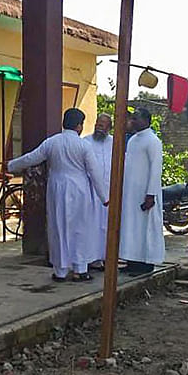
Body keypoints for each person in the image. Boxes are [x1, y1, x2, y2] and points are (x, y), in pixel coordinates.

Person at [5, 108, 108, 282]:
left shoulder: (51, 142)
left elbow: (31, 158)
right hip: (79, 190)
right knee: (80, 229)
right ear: (78, 126)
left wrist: (10, 166)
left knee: (58, 227)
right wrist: (104, 197)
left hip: (57, 188)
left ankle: (60, 271)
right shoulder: (84, 145)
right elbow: (95, 173)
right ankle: (80, 269)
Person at [119, 108, 164, 276]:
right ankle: (132, 261)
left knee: (145, 229)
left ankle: (146, 264)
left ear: (146, 120)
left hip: (146, 194)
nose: (133, 121)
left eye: (136, 118)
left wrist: (150, 194)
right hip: (131, 193)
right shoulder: (132, 140)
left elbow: (155, 169)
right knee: (132, 228)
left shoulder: (152, 141)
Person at [83, 113, 113, 271]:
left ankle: (106, 257)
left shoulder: (114, 143)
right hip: (90, 192)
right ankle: (91, 258)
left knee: (106, 226)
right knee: (91, 225)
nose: (98, 126)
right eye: (97, 123)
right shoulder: (86, 142)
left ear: (109, 127)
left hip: (109, 191)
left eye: (102, 124)